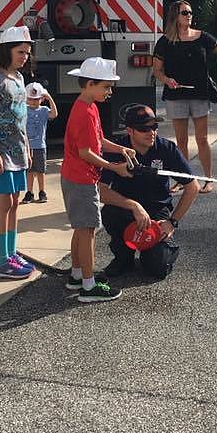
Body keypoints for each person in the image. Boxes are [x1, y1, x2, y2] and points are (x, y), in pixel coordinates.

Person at [61, 56, 136, 302]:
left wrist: (121, 149)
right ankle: (88, 285)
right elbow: (86, 153)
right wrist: (114, 168)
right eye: (106, 86)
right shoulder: (84, 112)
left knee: (81, 228)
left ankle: (76, 275)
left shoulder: (89, 106)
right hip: (80, 179)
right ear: (89, 84)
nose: (109, 91)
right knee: (88, 231)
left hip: (78, 177)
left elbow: (99, 141)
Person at [99, 105, 200, 279]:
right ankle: (123, 258)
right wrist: (133, 206)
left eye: (154, 127)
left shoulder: (166, 149)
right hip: (126, 210)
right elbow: (100, 190)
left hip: (156, 212)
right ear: (129, 130)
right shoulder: (117, 150)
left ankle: (159, 252)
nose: (151, 132)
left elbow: (193, 187)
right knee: (110, 213)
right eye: (143, 128)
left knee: (157, 268)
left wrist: (172, 222)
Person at [152, 0, 217, 193]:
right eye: (185, 13)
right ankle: (184, 180)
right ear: (175, 17)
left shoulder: (202, 37)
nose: (189, 15)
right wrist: (167, 80)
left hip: (200, 93)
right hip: (176, 95)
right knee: (181, 141)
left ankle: (208, 179)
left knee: (202, 138)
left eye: (190, 12)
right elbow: (156, 70)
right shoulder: (165, 41)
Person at [0, 26, 36, 280]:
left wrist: (28, 147)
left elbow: (22, 118)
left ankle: (11, 253)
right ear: (6, 50)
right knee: (2, 204)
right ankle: (1, 260)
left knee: (14, 203)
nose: (24, 57)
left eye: (27, 52)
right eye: (20, 51)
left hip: (17, 150)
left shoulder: (19, 78)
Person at [23, 81, 57, 203]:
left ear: (41, 99)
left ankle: (42, 191)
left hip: (40, 146)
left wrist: (49, 98)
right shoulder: (23, 110)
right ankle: (29, 192)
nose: (33, 102)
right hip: (27, 147)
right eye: (31, 99)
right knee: (29, 171)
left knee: (41, 170)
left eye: (36, 99)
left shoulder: (44, 110)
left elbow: (54, 114)